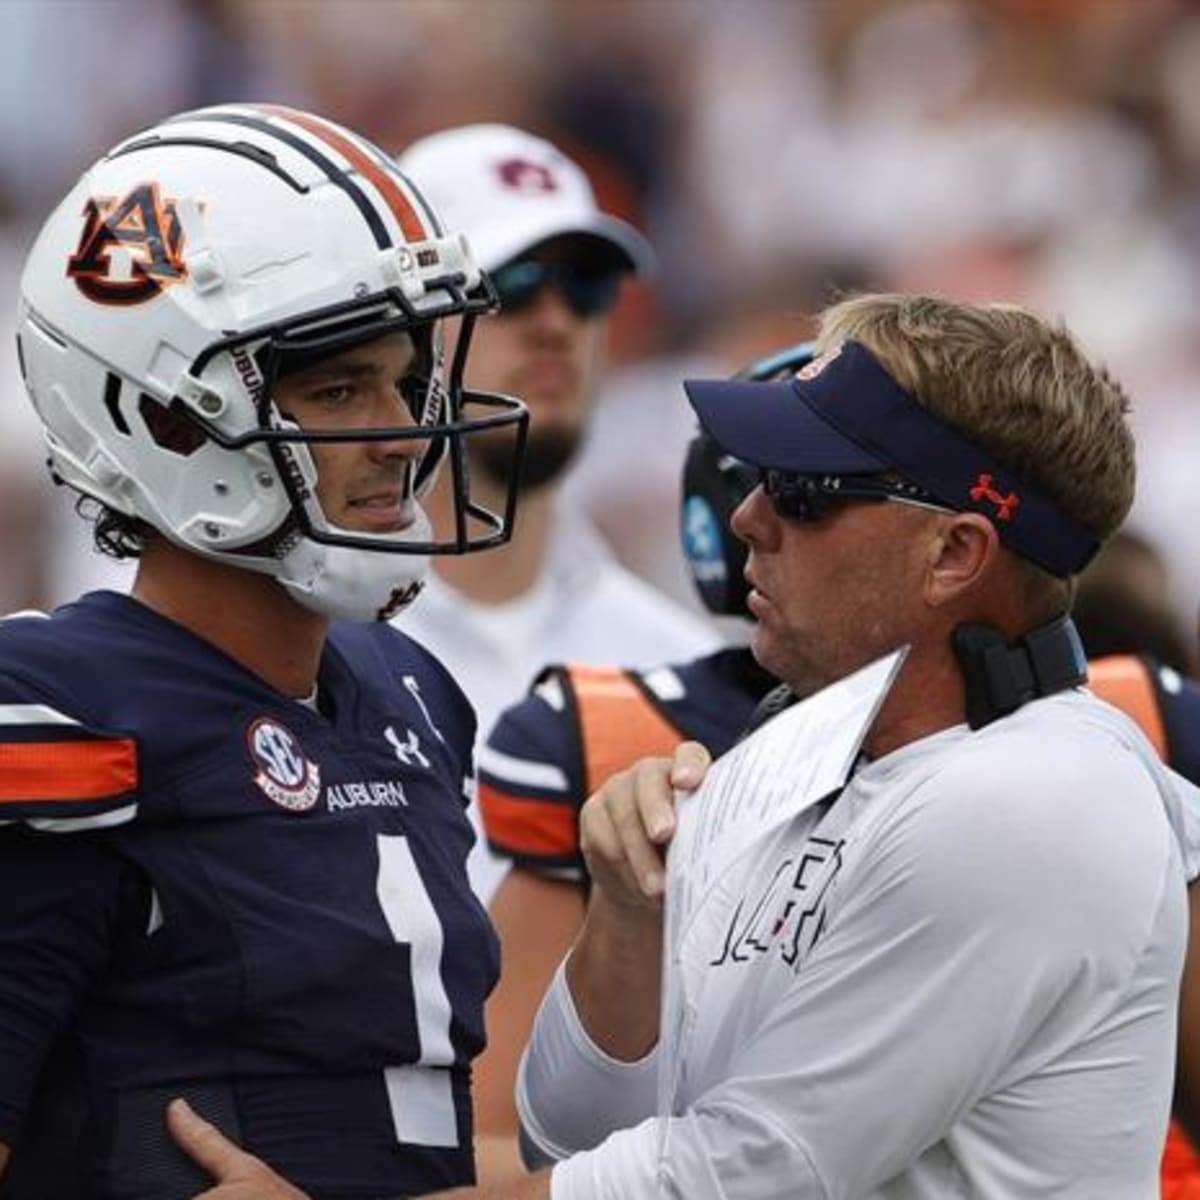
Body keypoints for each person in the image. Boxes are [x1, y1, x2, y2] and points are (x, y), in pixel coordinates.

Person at [174, 292, 1200, 1199]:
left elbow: (741, 1176)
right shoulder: (788, 759)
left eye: (806, 490)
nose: (748, 515)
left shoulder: (1038, 796)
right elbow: (568, 1132)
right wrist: (624, 917)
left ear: (954, 553)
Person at [0, 102, 532, 1200]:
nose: (401, 433)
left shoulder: (409, 691)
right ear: (164, 420)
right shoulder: (56, 716)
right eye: (337, 388)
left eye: (402, 379)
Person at [469, 347, 808, 1181]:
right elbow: (495, 1135)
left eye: (816, 492)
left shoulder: (1100, 738)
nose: (757, 519)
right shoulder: (618, 740)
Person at [392, 124, 721, 903]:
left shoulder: (678, 663)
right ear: (393, 323)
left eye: (586, 285)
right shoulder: (297, 648)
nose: (555, 320)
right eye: (506, 282)